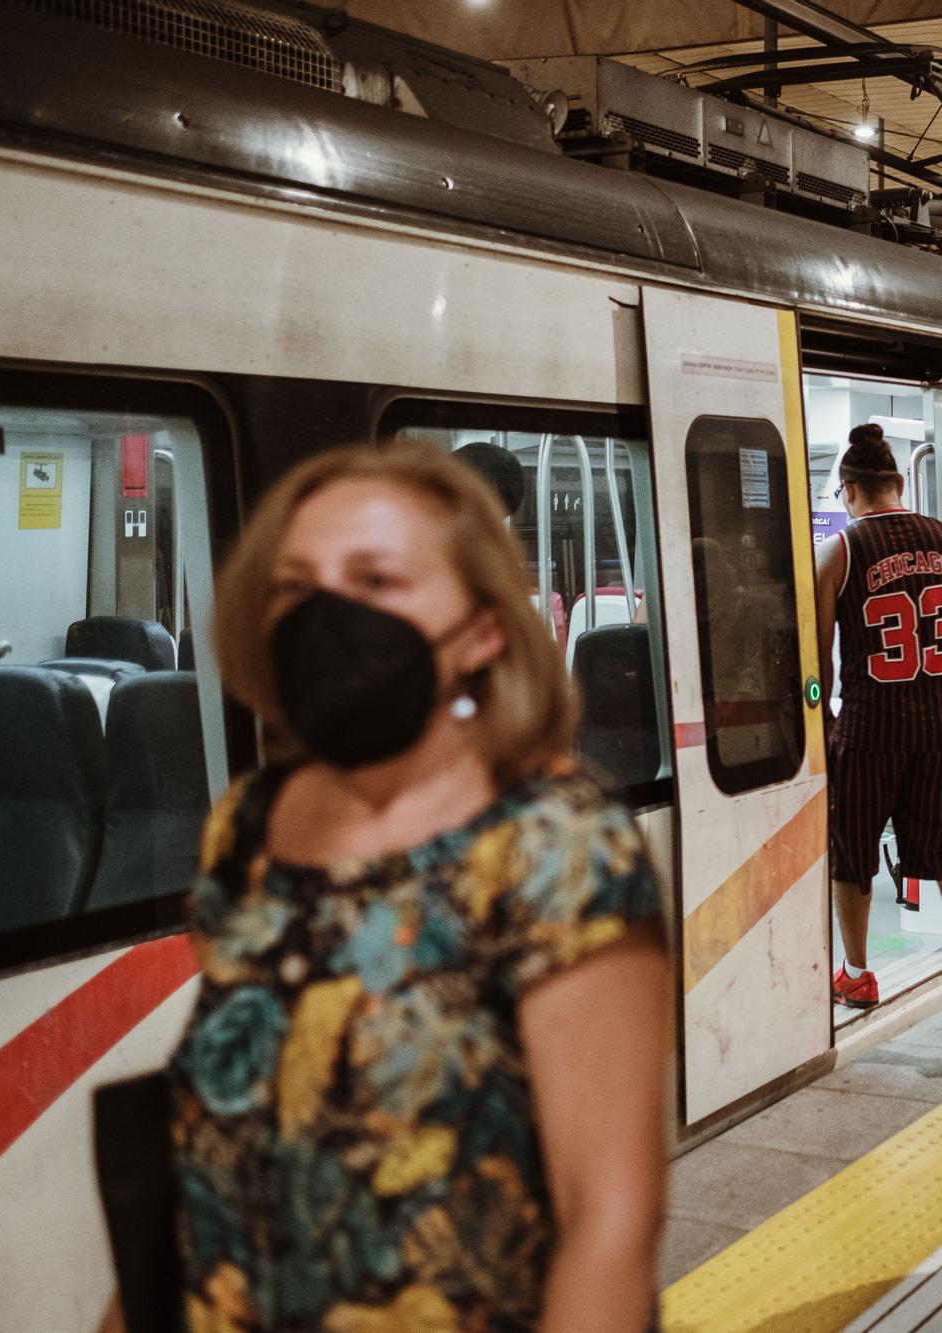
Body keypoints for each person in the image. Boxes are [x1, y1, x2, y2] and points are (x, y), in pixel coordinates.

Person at [169, 444, 669, 1332]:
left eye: (376, 579)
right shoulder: (247, 826)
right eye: (295, 586)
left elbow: (610, 1221)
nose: (327, 615)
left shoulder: (555, 842)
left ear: (481, 630)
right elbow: (208, 1166)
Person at [816, 425, 942, 1054]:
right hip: (941, 725)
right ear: (899, 485)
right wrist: (940, 692)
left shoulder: (841, 551)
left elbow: (817, 661)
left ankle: (858, 972)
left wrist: (822, 715)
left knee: (853, 851)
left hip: (870, 727)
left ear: (850, 491)